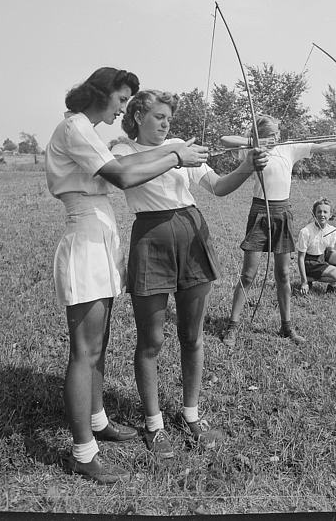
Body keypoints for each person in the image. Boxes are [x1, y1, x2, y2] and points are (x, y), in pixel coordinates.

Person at [45, 68, 209, 484]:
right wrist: (175, 156)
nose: (122, 109)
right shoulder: (78, 127)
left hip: (99, 236)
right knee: (85, 352)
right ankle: (84, 453)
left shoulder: (85, 129)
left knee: (99, 344)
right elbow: (120, 174)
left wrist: (173, 149)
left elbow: (124, 160)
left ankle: (99, 421)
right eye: (120, 99)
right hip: (84, 240)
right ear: (101, 95)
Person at [111, 89, 268, 458]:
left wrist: (248, 165)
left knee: (192, 336)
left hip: (193, 235)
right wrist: (175, 154)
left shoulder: (180, 145)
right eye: (158, 117)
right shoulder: (122, 151)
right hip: (151, 241)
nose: (167, 124)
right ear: (137, 117)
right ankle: (154, 424)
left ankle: (191, 415)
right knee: (151, 340)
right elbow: (125, 178)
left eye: (169, 118)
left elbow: (218, 186)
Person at [220, 115, 336, 349]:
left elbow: (323, 146)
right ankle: (232, 326)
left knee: (284, 275)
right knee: (248, 275)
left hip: (282, 212)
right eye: (273, 133)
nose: (278, 137)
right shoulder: (253, 149)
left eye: (278, 133)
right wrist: (255, 142)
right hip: (260, 211)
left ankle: (286, 326)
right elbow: (224, 139)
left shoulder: (289, 149)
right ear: (261, 134)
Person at [295, 197, 336, 300]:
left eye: (325, 212)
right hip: (309, 262)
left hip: (321, 258)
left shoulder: (332, 230)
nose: (322, 214)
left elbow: (329, 251)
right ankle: (308, 279)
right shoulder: (306, 231)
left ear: (330, 215)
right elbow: (300, 258)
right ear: (314, 213)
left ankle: (332, 287)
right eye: (319, 211)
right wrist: (304, 282)